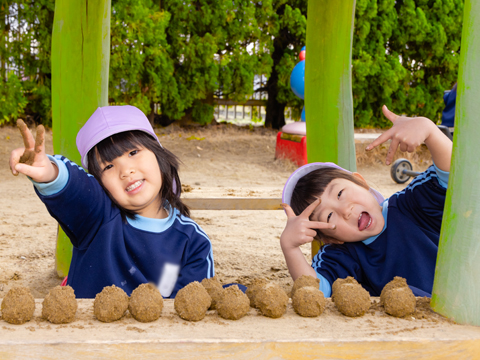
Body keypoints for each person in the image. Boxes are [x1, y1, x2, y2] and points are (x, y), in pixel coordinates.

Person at [9, 105, 214, 298]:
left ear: (159, 155)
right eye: (108, 167)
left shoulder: (191, 242)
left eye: (133, 153)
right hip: (84, 331)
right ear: (99, 183)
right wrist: (50, 172)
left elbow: (189, 303)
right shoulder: (98, 216)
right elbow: (76, 189)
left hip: (153, 333)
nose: (126, 171)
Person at [280, 105, 453, 298]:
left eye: (340, 194)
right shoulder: (341, 253)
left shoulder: (409, 204)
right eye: (329, 216)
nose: (345, 210)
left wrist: (428, 129)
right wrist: (290, 247)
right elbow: (317, 291)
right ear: (330, 238)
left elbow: (453, 177)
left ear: (361, 183)